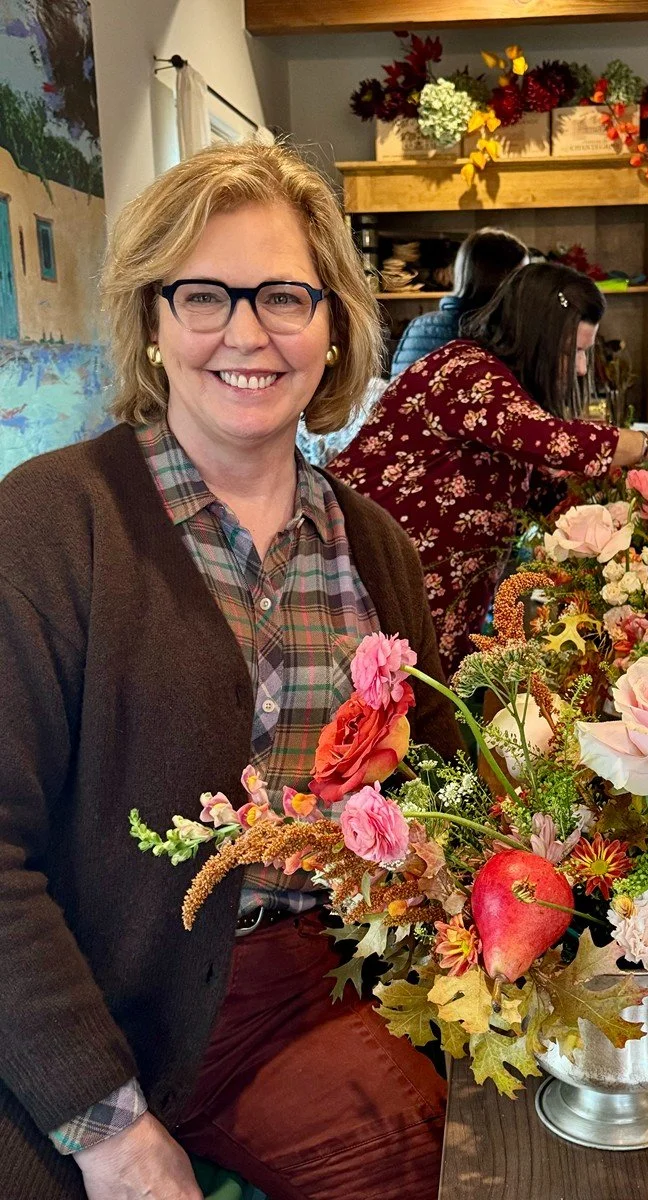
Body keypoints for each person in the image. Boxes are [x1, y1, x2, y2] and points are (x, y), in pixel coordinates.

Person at [0, 141, 459, 1200]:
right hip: (96, 999)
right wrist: (110, 1128)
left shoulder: (372, 545)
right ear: (153, 323)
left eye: (285, 296)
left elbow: (438, 784)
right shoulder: (51, 527)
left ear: (332, 323)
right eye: (204, 295)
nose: (246, 334)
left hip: (315, 992)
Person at [328, 262, 648, 675]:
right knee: (382, 713)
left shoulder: (506, 392)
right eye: (573, 350)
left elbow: (545, 488)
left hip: (432, 586)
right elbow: (556, 442)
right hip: (372, 572)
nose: (579, 369)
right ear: (539, 337)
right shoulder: (468, 371)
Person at [389, 227, 528, 377]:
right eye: (521, 277)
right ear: (503, 280)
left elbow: (397, 394)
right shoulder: (502, 335)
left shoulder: (418, 328)